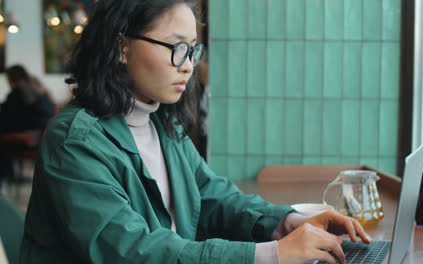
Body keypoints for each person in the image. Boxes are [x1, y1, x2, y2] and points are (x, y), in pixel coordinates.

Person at [20, 1, 371, 263]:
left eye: (193, 49)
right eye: (176, 48)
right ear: (122, 47)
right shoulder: (75, 141)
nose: (188, 65)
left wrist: (290, 222)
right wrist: (271, 254)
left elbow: (213, 196)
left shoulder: (162, 123)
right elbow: (131, 251)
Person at [0, 65, 54, 183]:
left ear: (11, 78)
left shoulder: (19, 91)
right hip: (41, 136)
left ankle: (5, 174)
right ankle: (9, 174)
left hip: (29, 138)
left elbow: (7, 116)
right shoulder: (37, 88)